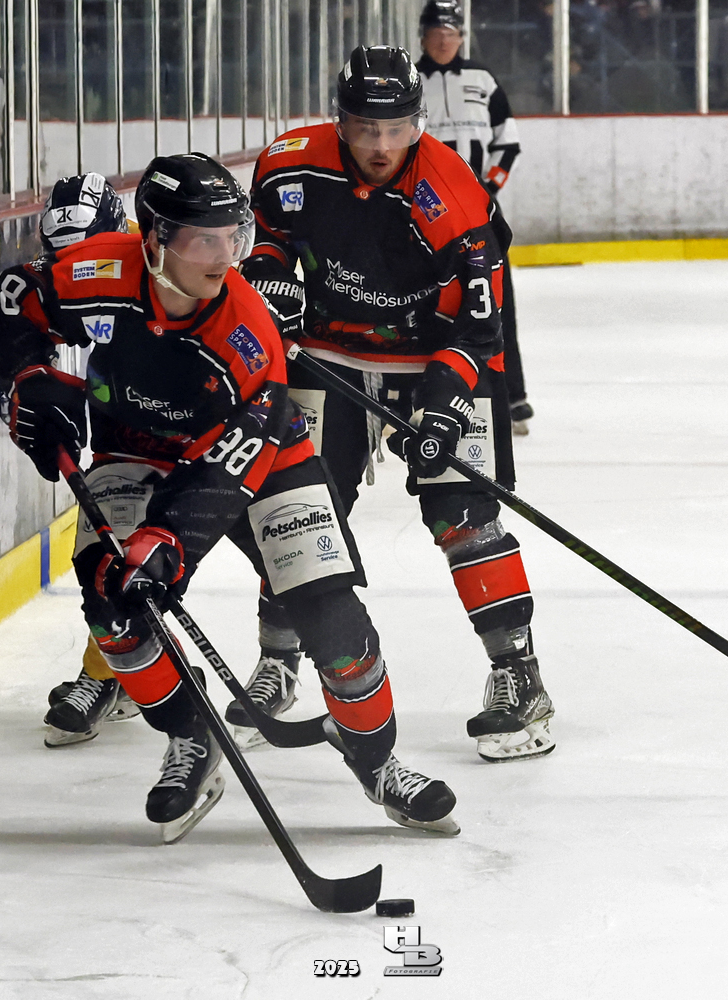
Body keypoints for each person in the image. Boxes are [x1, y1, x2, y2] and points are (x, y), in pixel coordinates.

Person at [0, 161, 459, 841]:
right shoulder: (99, 270)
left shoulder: (247, 331)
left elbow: (228, 472)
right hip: (136, 447)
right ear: (153, 240)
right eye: (203, 239)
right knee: (113, 606)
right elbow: (13, 298)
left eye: (232, 237)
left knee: (332, 620)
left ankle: (377, 761)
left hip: (263, 454)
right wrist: (28, 377)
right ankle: (191, 735)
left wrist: (168, 540)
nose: (223, 256)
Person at [237, 45, 557, 764]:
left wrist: (443, 405)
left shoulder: (454, 193)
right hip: (330, 352)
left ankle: (519, 675)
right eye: (364, 128)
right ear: (339, 120)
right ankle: (278, 662)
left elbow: (481, 326)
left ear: (418, 123)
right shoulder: (289, 164)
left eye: (395, 128)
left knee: (463, 515)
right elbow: (270, 243)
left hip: (438, 354)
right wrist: (271, 278)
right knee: (299, 509)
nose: (380, 146)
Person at [414, 1, 534, 435]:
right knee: (425, 303)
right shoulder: (410, 81)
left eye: (450, 33)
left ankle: (512, 396)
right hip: (424, 217)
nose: (443, 40)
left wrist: (489, 189)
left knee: (496, 301)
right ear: (423, 36)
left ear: (462, 37)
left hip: (480, 213)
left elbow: (509, 142)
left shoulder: (482, 79)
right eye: (436, 33)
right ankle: (416, 394)